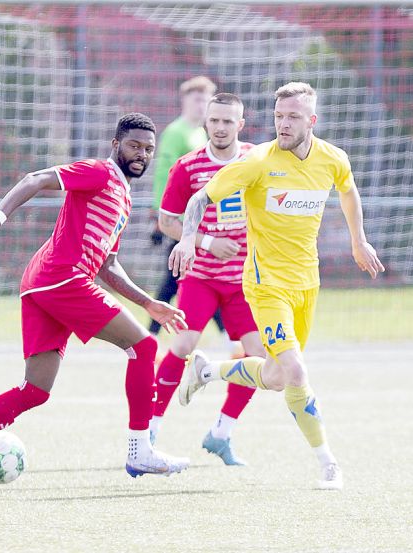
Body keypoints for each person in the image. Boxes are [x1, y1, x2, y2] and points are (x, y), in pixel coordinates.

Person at [0, 113, 191, 484]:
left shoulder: (124, 197)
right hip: (61, 279)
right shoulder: (100, 172)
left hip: (43, 285)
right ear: (116, 145)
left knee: (35, 390)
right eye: (134, 145)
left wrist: (149, 303)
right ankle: (139, 451)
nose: (141, 154)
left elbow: (109, 266)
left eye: (148, 149)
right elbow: (36, 178)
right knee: (144, 347)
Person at [170, 82, 385, 490]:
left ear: (312, 121)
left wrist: (359, 240)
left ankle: (208, 369)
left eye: (293, 117)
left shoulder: (332, 158)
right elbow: (200, 198)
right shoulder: (259, 161)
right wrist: (186, 238)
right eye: (278, 116)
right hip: (265, 284)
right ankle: (328, 464)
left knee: (276, 377)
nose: (283, 124)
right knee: (296, 370)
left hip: (307, 283)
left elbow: (348, 190)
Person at [152, 93, 262, 466]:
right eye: (214, 121)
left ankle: (221, 433)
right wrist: (207, 241)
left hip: (245, 282)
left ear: (240, 125)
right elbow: (167, 221)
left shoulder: (256, 161)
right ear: (206, 123)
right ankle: (148, 430)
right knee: (182, 346)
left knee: (259, 358)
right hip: (201, 277)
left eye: (227, 122)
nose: (219, 127)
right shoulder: (188, 167)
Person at [148, 76, 228, 341]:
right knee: (181, 277)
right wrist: (162, 215)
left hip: (198, 220)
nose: (202, 104)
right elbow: (165, 174)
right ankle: (230, 337)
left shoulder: (200, 133)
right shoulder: (176, 132)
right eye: (197, 99)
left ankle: (150, 335)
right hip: (182, 221)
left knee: (182, 276)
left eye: (207, 99)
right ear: (185, 100)